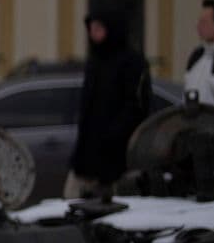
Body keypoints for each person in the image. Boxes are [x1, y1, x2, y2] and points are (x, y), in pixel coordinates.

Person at [65, 11, 152, 200]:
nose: (93, 33)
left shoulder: (131, 62)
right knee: (74, 202)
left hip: (118, 158)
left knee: (113, 208)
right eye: (91, 29)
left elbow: (136, 106)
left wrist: (112, 135)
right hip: (87, 156)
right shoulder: (95, 61)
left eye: (98, 28)